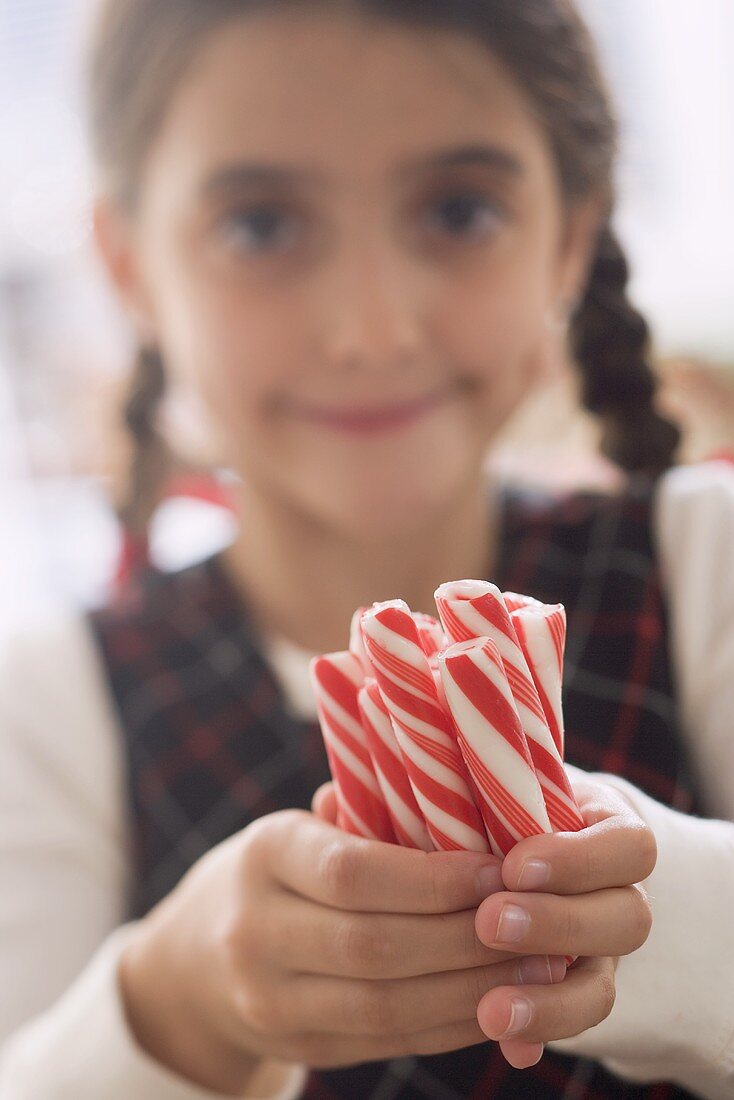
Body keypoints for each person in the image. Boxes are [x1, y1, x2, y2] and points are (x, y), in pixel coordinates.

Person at [1, 1, 733, 1097]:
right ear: (131, 266)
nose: (372, 326)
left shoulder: (701, 562)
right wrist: (175, 1004)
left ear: (571, 233)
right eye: (260, 226)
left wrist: (653, 906)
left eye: (456, 209)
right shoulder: (49, 707)